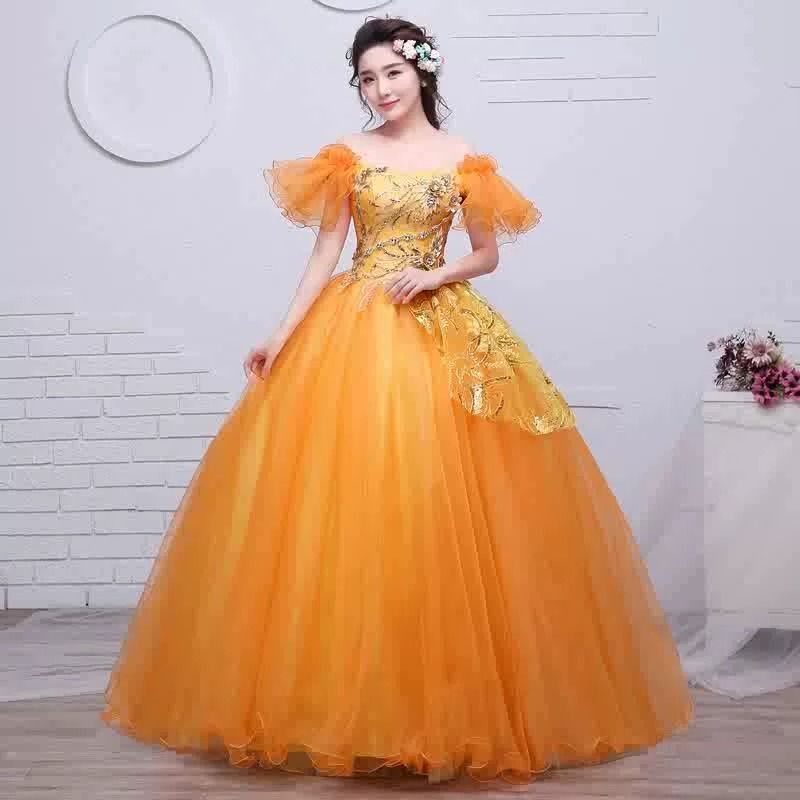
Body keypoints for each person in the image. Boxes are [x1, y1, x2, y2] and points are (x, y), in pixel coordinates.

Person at [100, 15, 694, 786]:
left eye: (392, 73)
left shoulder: (465, 159)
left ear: (422, 73)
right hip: (353, 332)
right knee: (348, 516)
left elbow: (486, 254)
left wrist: (434, 275)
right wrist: (280, 334)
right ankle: (342, 707)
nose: (380, 89)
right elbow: (325, 251)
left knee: (438, 509)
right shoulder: (347, 158)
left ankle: (439, 710)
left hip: (438, 328)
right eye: (367, 78)